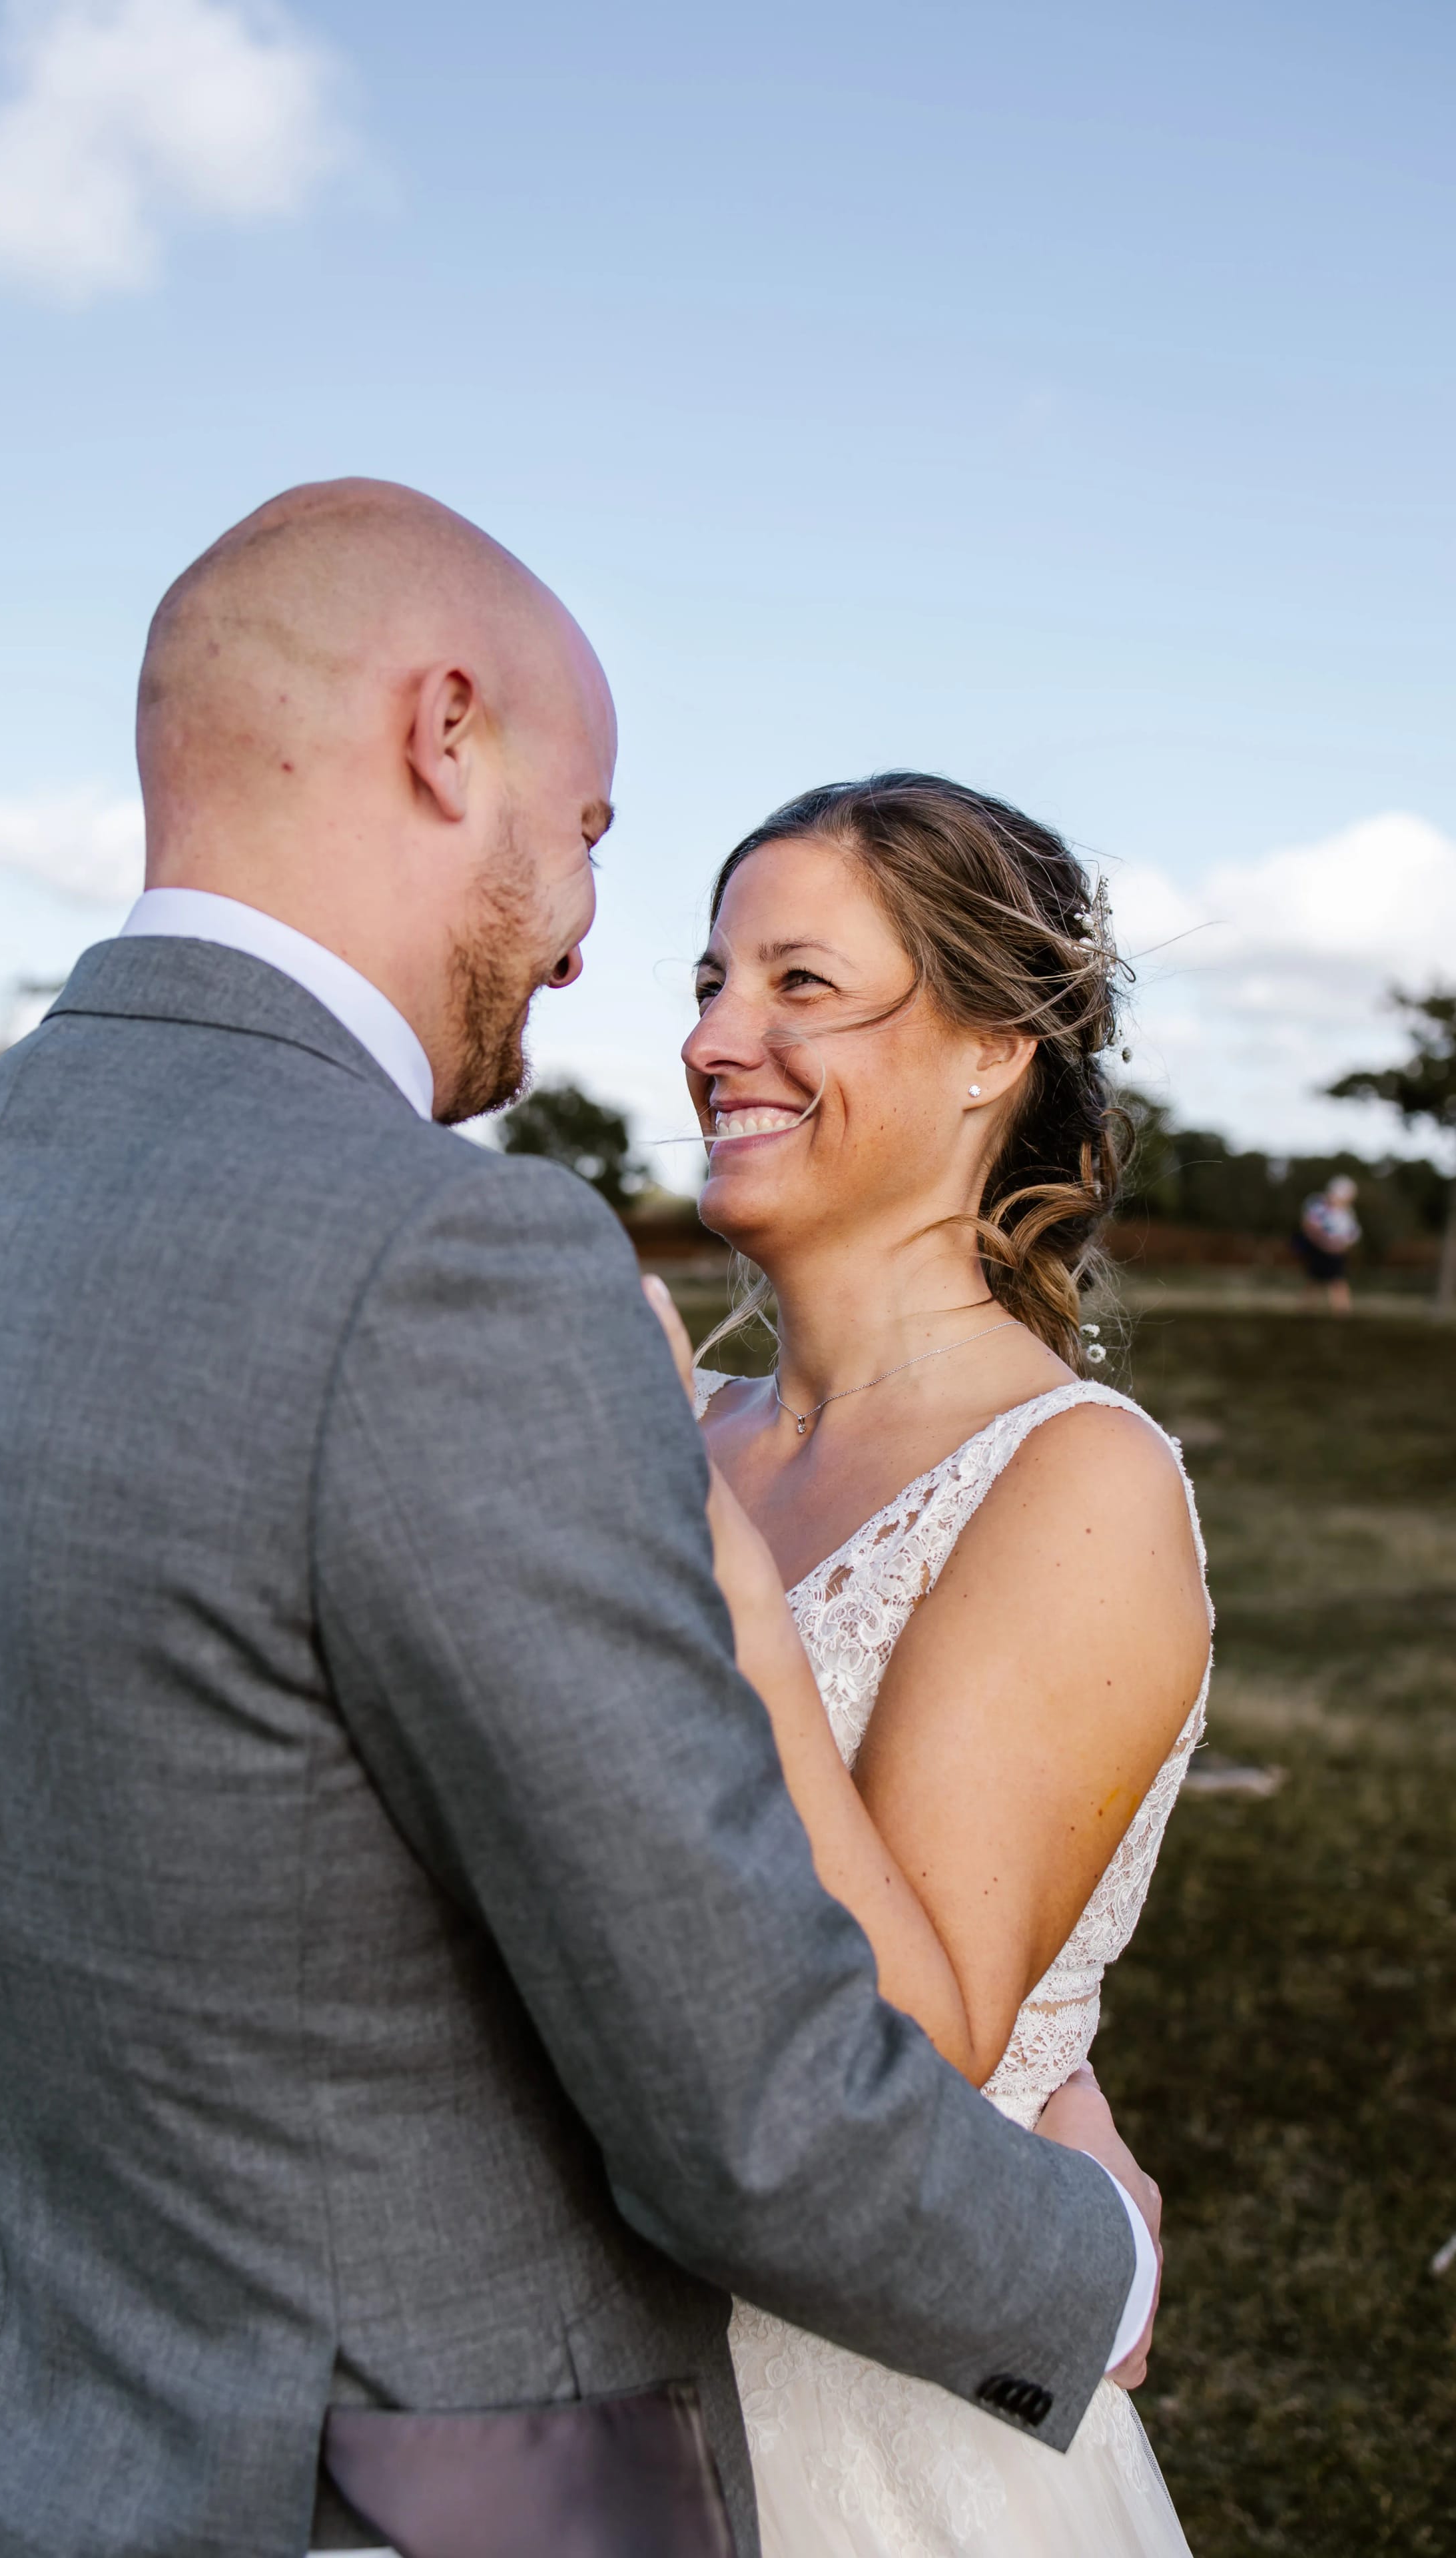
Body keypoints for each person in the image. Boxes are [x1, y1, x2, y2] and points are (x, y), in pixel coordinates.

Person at [0, 487, 1158, 2558]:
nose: (621, 959)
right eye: (593, 830)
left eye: (793, 977)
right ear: (445, 734)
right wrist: (1102, 2260)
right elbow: (751, 2111)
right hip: (387, 2485)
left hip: (5, 2451)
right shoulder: (439, 1263)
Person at [649, 773, 1212, 2556]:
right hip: (559, 2389)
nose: (715, 1038)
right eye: (711, 977)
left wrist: (727, 1597)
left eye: (801, 985)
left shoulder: (1077, 1480)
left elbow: (909, 2040)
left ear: (995, 1049)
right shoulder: (670, 1425)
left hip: (863, 2430)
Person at [1294, 1170, 1361, 1312]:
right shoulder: (1318, 1205)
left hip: (1336, 1252)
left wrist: (1341, 1245)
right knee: (1318, 1281)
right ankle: (1308, 1311)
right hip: (1319, 1250)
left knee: (1336, 1281)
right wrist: (1325, 1242)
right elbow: (1309, 1226)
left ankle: (1341, 1311)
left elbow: (1353, 1234)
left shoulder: (1346, 1212)